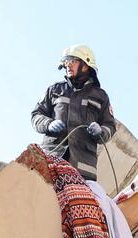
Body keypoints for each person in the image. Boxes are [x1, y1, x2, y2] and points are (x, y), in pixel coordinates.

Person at [31, 46, 118, 183]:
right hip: (51, 162)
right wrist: (48, 124)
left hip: (83, 171)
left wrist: (101, 131)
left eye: (74, 61)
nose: (68, 65)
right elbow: (36, 115)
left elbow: (110, 125)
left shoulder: (100, 97)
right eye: (66, 62)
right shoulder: (55, 90)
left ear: (86, 65)